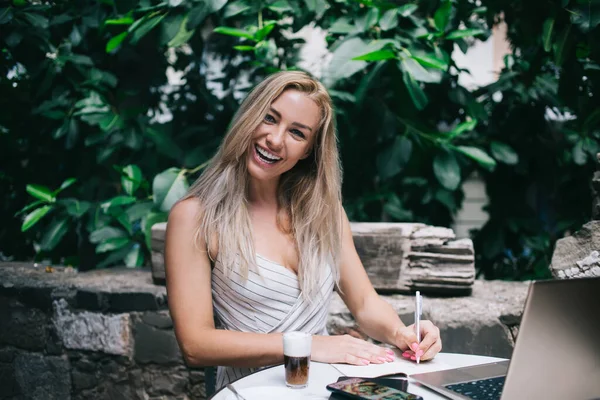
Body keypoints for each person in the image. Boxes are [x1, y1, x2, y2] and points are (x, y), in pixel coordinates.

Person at [165, 71, 442, 390]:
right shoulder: (194, 216)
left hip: (323, 388)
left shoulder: (325, 214)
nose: (275, 139)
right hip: (250, 392)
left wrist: (402, 333)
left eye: (297, 133)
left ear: (309, 150)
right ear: (249, 116)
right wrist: (308, 344)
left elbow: (365, 303)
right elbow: (195, 345)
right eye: (269, 118)